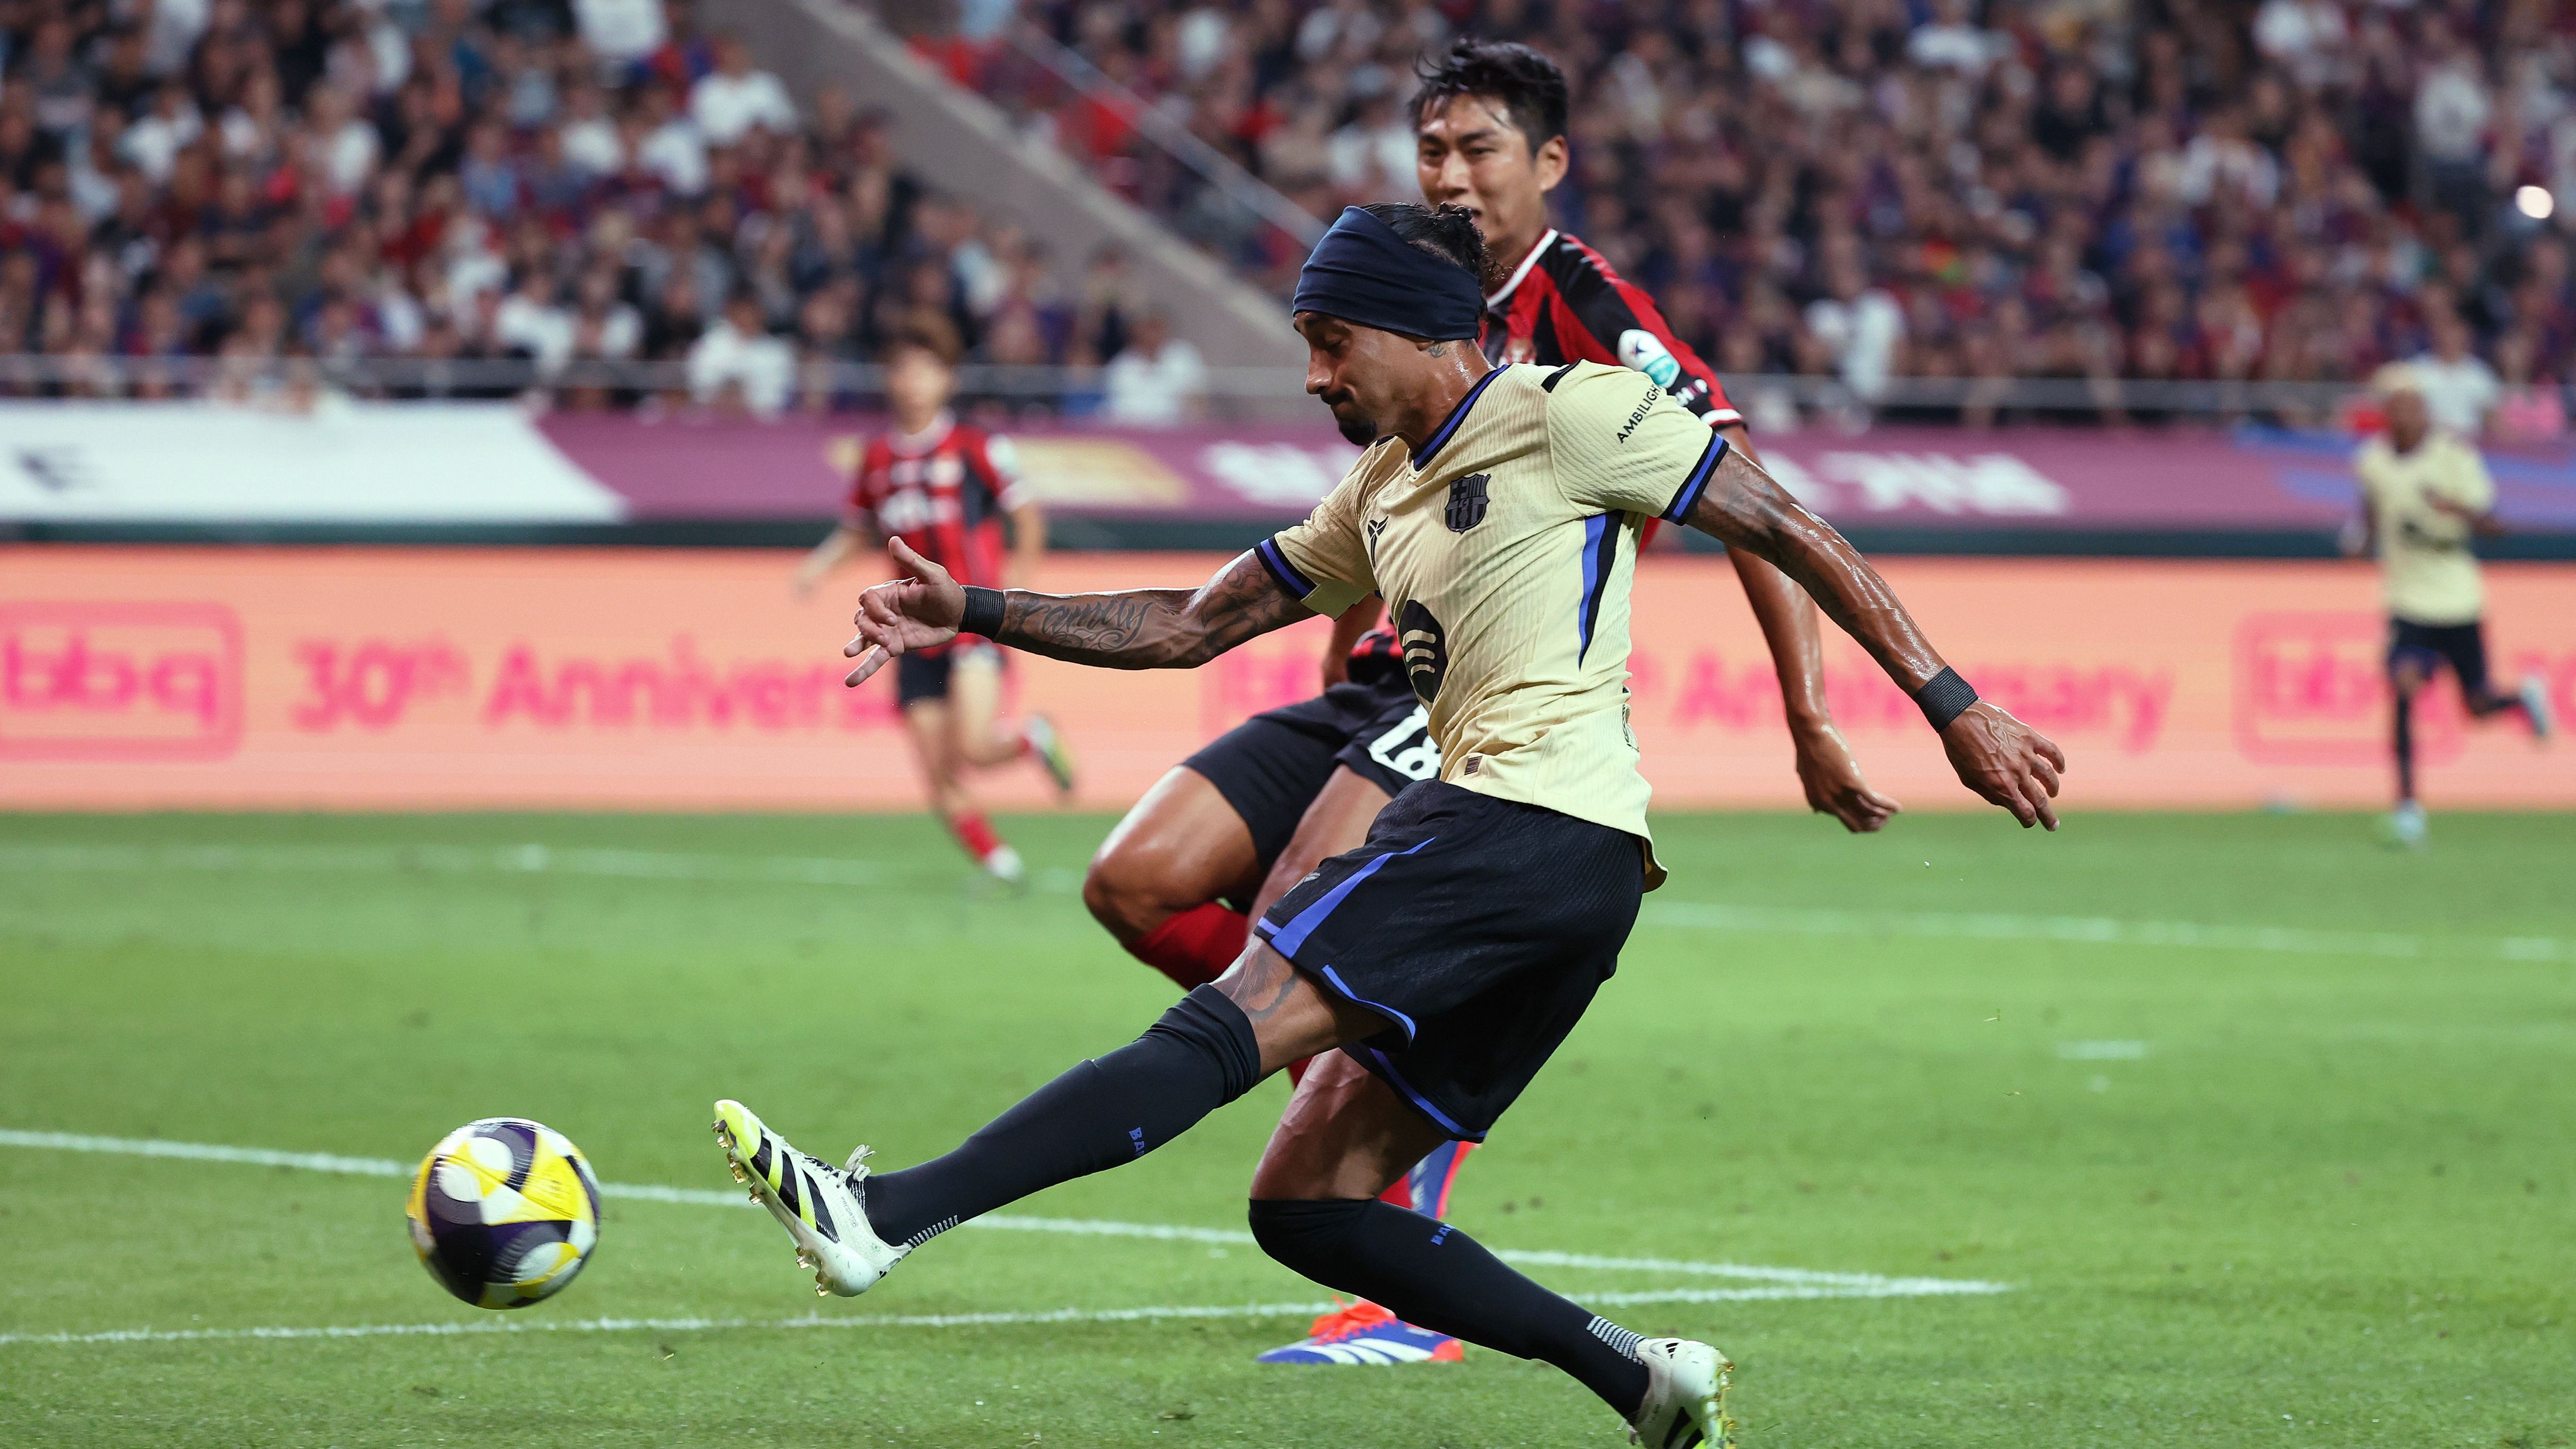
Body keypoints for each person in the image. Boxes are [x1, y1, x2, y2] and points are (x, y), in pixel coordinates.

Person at [715, 203, 2065, 1448]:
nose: (1314, 376)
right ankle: (1641, 1380)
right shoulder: (1378, 490)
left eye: (1330, 342)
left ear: (1421, 330)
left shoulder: (1574, 409)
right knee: (1307, 1203)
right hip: (1572, 880)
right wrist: (972, 610)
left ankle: (883, 1215)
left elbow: (1789, 527)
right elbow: (1189, 624)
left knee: (1230, 1019)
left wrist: (1950, 706)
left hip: (1516, 823)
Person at [1079, 38, 1896, 1366]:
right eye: (1433, 149)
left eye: (1480, 149)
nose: (1451, 174)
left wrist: (1811, 716)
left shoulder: (1587, 311)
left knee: (1300, 913)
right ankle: (1353, 1060)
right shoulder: (1407, 279)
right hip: (1374, 675)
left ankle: (1387, 1230)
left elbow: (1750, 504)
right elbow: (1371, 507)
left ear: (1549, 163)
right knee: (1136, 882)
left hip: (1494, 697)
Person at [794, 322, 1077, 883]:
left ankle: (1032, 738)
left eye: (925, 369)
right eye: (902, 370)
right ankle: (1001, 868)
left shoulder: (976, 445)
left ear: (946, 379)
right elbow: (857, 528)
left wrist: (1015, 594)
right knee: (935, 766)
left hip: (972, 620)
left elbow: (1027, 518)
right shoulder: (876, 456)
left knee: (972, 748)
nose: (912, 382)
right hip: (907, 631)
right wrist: (816, 567)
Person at [2345, 364, 2553, 848]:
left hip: (2456, 598)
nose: (2405, 415)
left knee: (2477, 706)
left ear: (2424, 411)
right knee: (2402, 687)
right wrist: (2359, 543)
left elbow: (2495, 525)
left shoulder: (2453, 456)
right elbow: (2369, 521)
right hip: (2407, 600)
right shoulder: (2371, 462)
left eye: (2413, 405)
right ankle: (2407, 808)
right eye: (2396, 406)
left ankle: (2522, 700)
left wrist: (2451, 508)